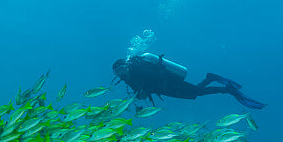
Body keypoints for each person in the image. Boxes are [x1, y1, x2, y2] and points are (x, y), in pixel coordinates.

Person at [112, 53, 266, 109]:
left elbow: (156, 77)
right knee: (195, 93)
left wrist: (145, 90)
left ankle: (226, 90)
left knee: (197, 92)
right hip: (164, 90)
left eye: (120, 70)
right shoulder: (127, 78)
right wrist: (141, 95)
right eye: (117, 73)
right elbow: (140, 89)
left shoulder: (138, 68)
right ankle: (210, 78)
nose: (120, 74)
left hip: (169, 83)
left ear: (125, 65)